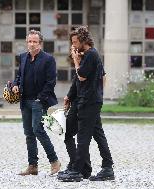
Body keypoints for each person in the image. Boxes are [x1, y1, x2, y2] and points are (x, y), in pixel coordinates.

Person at [59, 26, 114, 182]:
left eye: (76, 42)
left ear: (83, 41)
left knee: (83, 137)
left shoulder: (91, 55)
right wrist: (71, 96)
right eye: (72, 42)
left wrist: (76, 61)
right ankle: (107, 167)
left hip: (89, 102)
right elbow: (98, 77)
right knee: (98, 134)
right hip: (91, 100)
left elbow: (81, 76)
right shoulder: (90, 55)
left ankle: (77, 171)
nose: (74, 45)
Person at [12, 30, 61, 176]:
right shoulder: (23, 57)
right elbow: (19, 75)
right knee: (29, 133)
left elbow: (51, 82)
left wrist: (40, 98)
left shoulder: (48, 59)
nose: (31, 44)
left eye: (35, 41)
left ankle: (54, 161)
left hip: (39, 101)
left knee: (38, 130)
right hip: (25, 100)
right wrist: (15, 84)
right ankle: (32, 166)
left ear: (40, 43)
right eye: (29, 41)